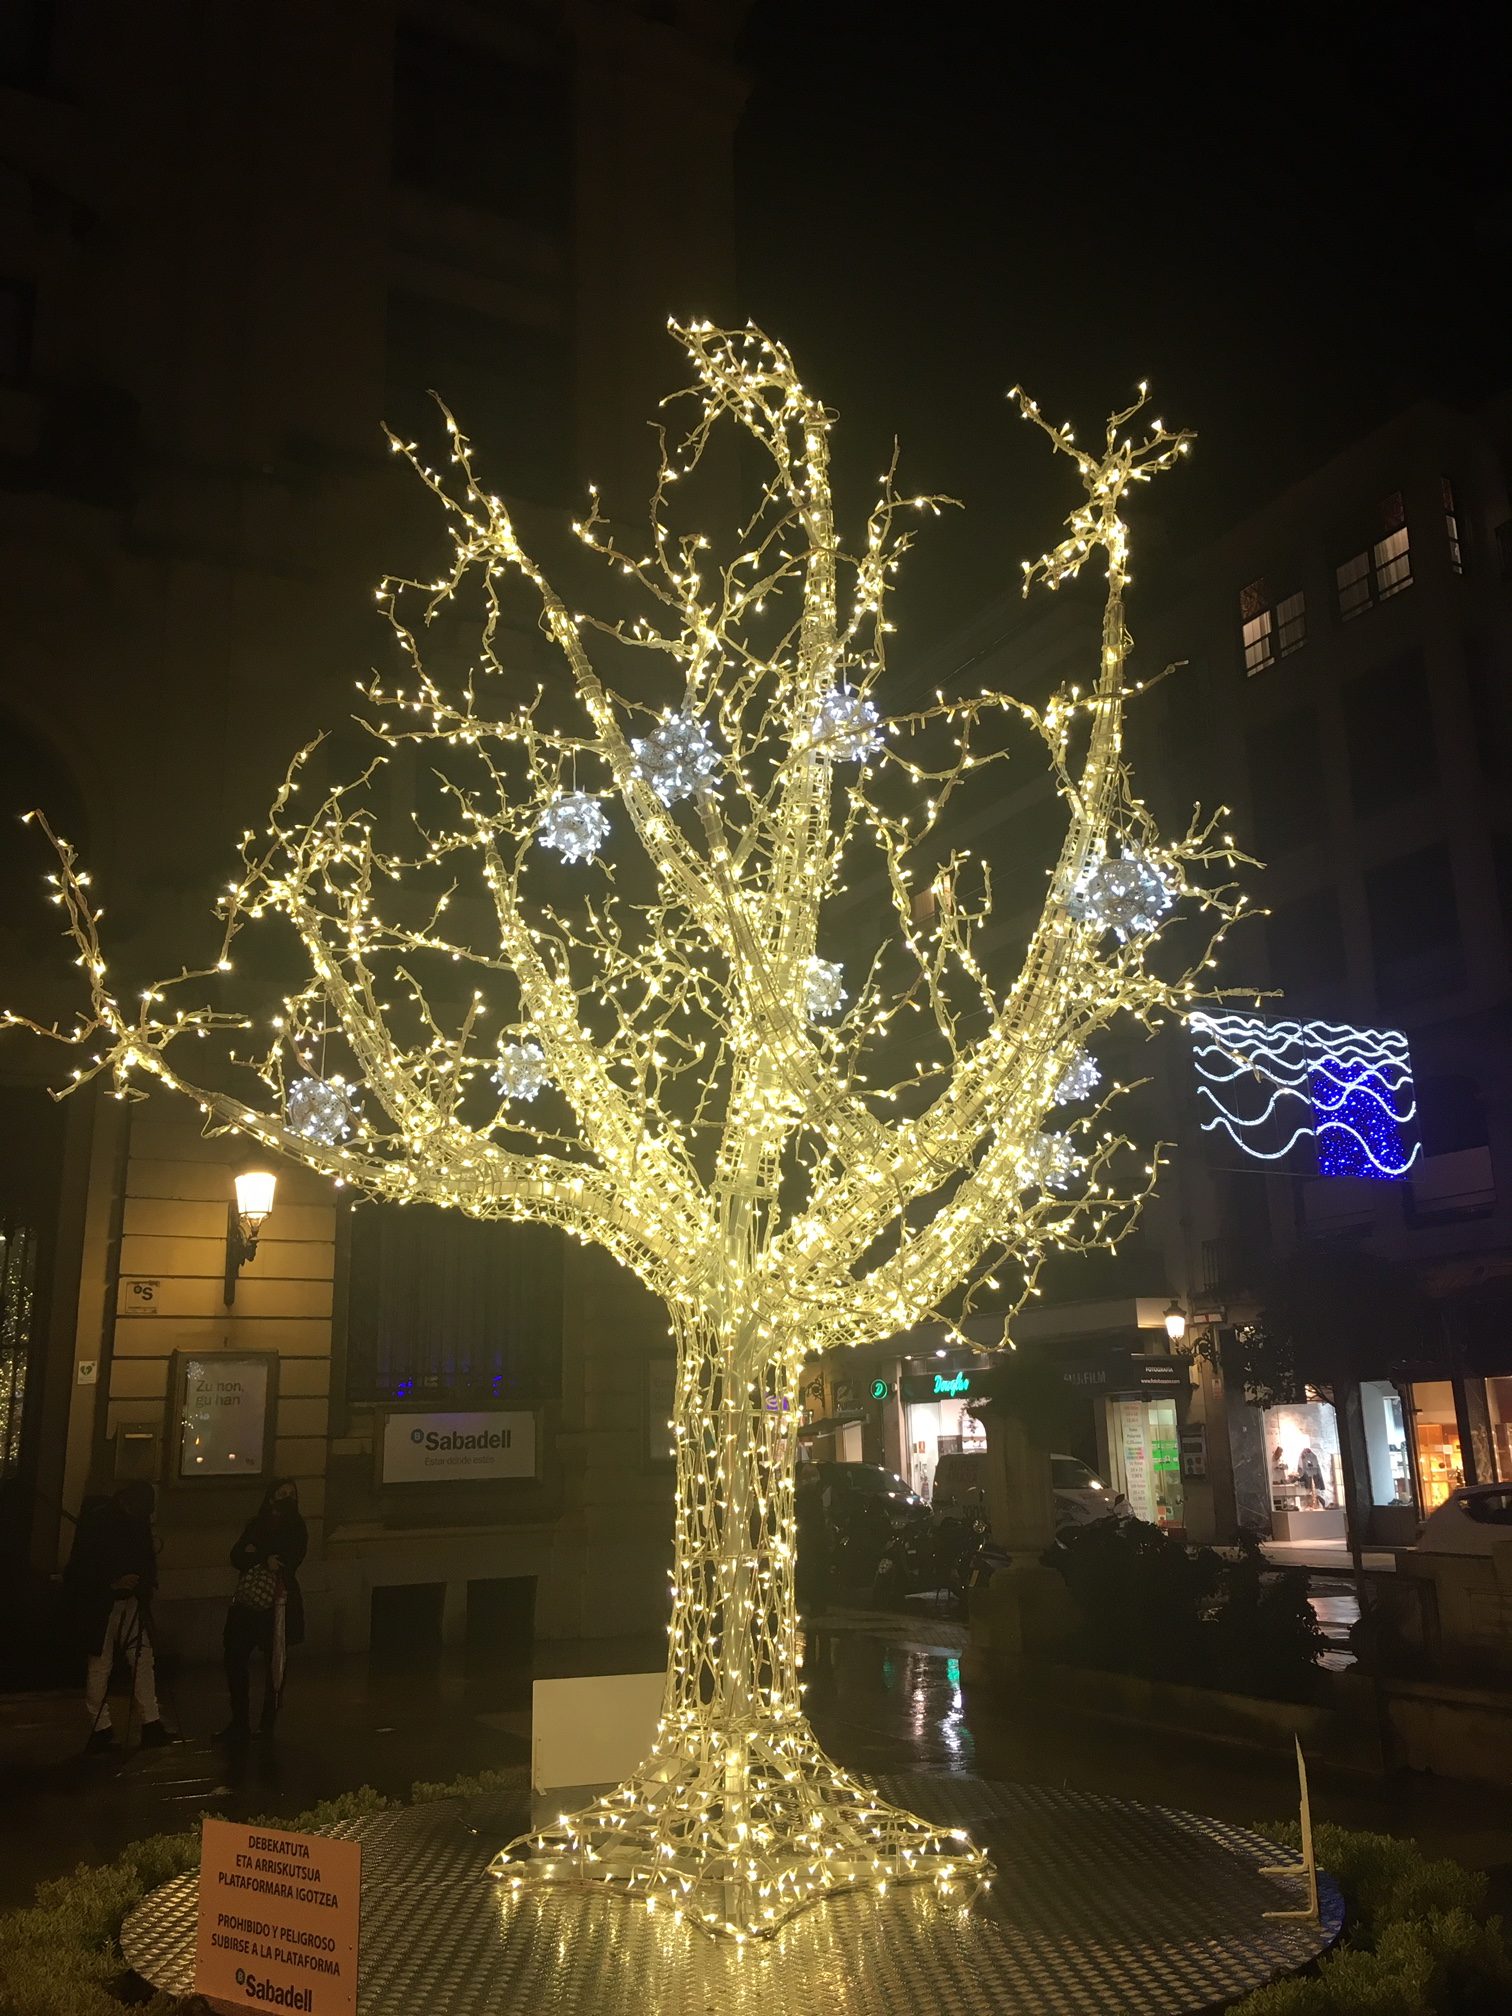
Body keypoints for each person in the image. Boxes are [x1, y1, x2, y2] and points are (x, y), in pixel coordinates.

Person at [64, 1480, 173, 1753]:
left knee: (135, 1659)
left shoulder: (120, 1522)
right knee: (106, 1662)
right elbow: (82, 1568)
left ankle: (136, 1723)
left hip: (125, 1600)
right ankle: (113, 1725)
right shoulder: (105, 1523)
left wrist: (139, 1584)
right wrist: (113, 1584)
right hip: (104, 1603)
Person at [217, 1478, 307, 1744]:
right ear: (271, 1497)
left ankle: (267, 1723)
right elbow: (237, 1555)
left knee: (275, 1664)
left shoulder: (296, 1526)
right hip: (248, 1603)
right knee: (234, 1658)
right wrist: (262, 1557)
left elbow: (289, 1559)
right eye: (283, 1493)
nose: (288, 1498)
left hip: (278, 1602)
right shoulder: (256, 1523)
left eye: (292, 1494)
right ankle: (239, 1721)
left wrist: (259, 1552)